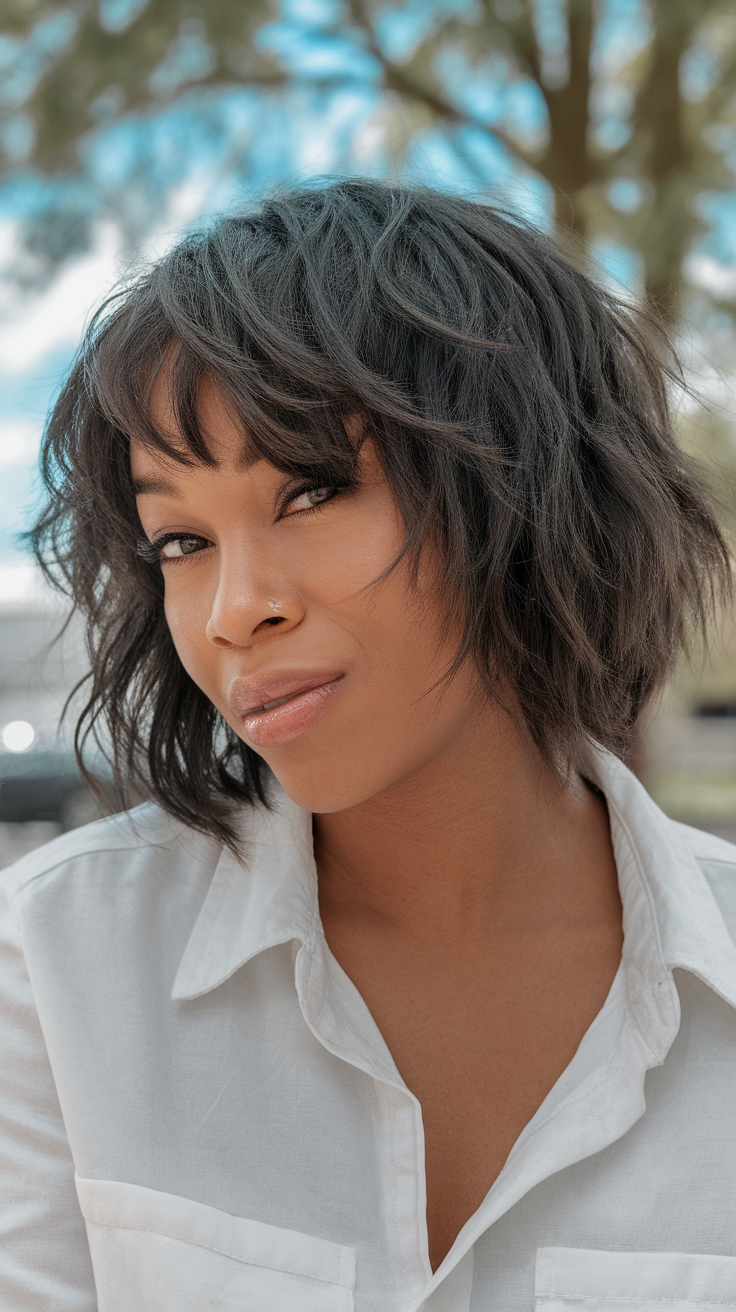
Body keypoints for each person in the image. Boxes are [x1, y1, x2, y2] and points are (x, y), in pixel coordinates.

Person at [2, 179, 735, 1312]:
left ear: (525, 478)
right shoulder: (56, 963)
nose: (233, 609)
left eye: (309, 489)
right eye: (181, 538)